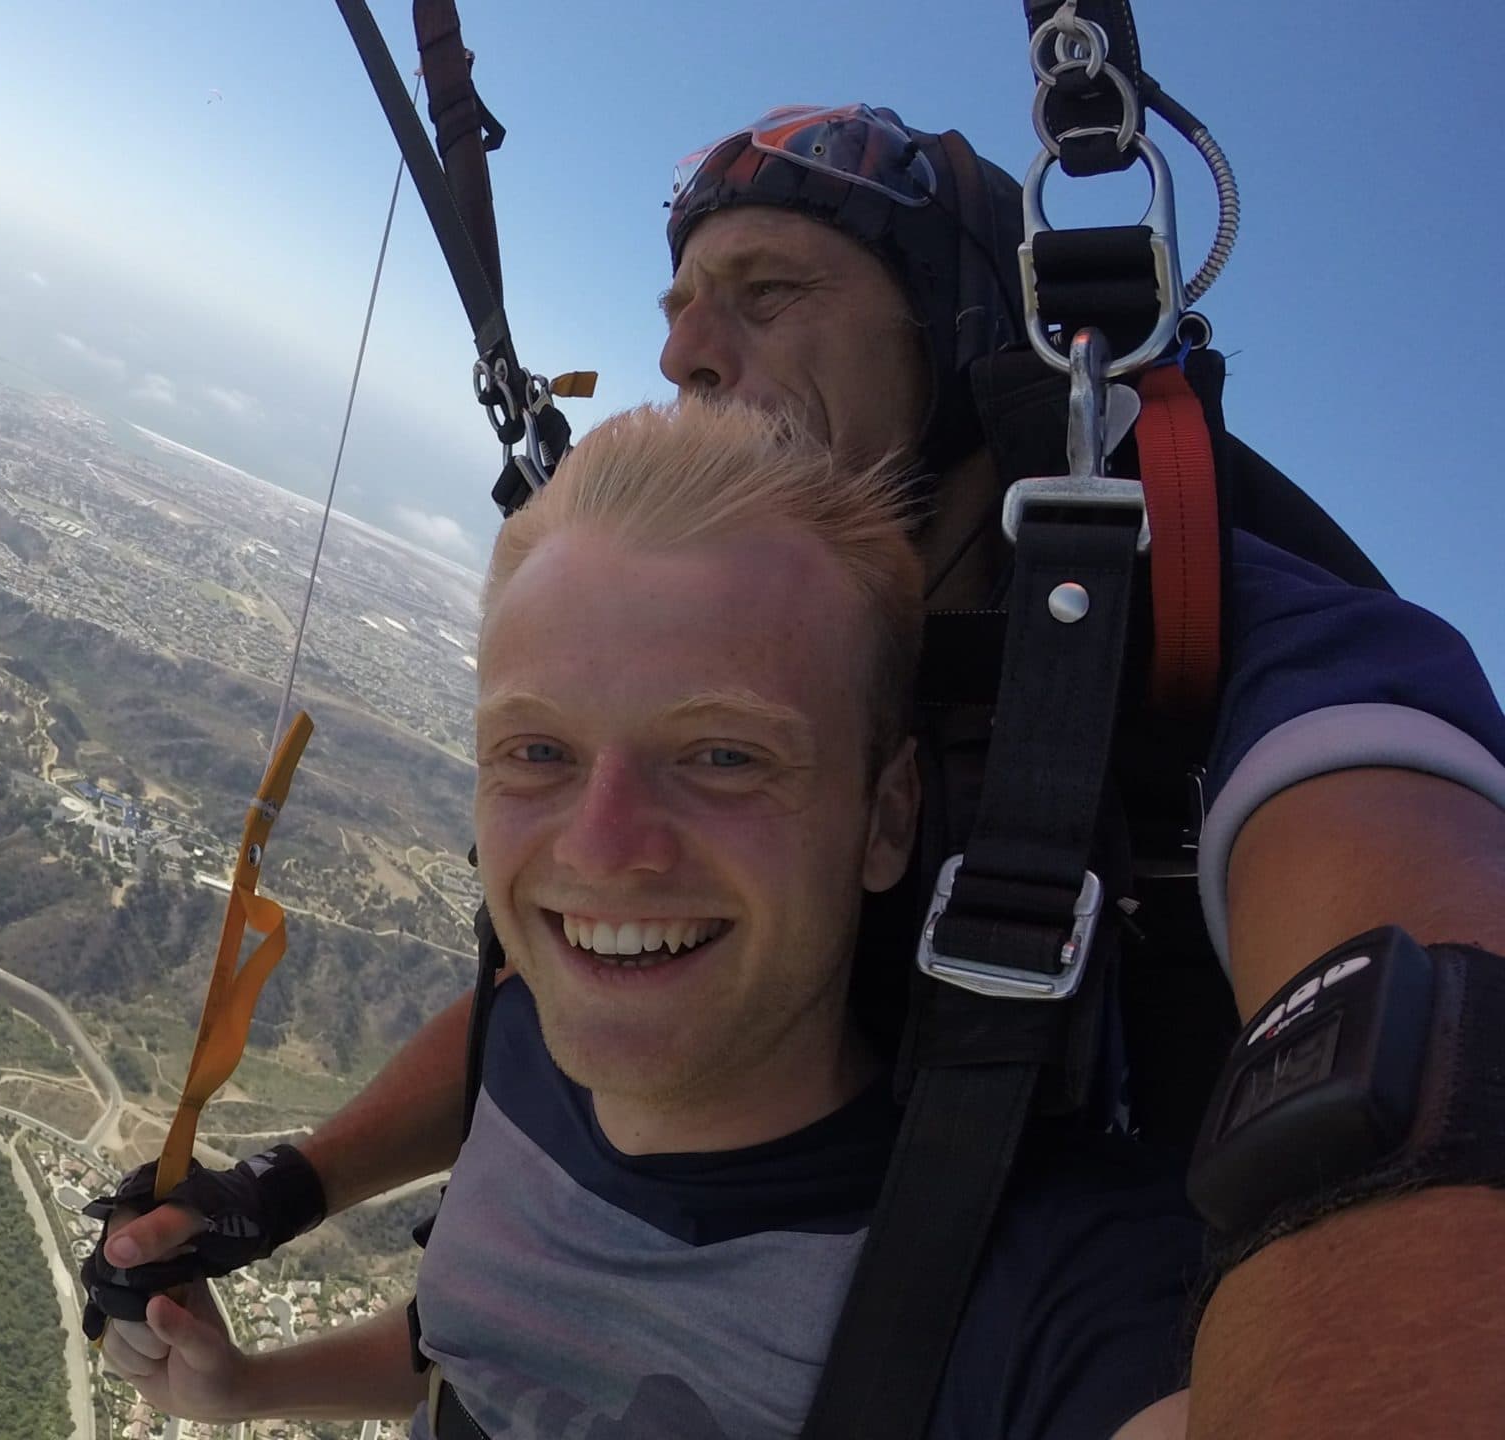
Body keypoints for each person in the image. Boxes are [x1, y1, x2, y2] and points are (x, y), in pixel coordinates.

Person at [86, 106, 1505, 1436]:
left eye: (767, 294)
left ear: (963, 345)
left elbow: (1418, 1047)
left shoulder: (1227, 637)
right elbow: (524, 1071)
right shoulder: (616, 969)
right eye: (682, 311)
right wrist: (290, 1192)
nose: (688, 354)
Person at [97, 400, 1201, 1436]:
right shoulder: (522, 1051)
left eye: (724, 756)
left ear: (886, 818)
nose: (602, 846)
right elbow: (478, 1348)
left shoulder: (1055, 1297)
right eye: (538, 752)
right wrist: (244, 1389)